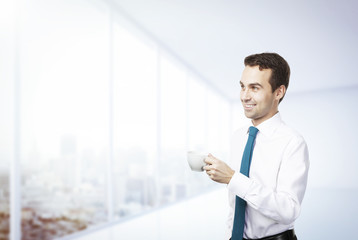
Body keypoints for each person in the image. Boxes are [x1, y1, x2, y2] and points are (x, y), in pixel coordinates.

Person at [203, 52, 309, 240]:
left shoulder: (292, 142)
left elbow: (288, 210)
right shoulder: (238, 137)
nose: (244, 96)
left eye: (254, 88)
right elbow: (235, 205)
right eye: (242, 87)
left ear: (279, 92)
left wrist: (233, 178)